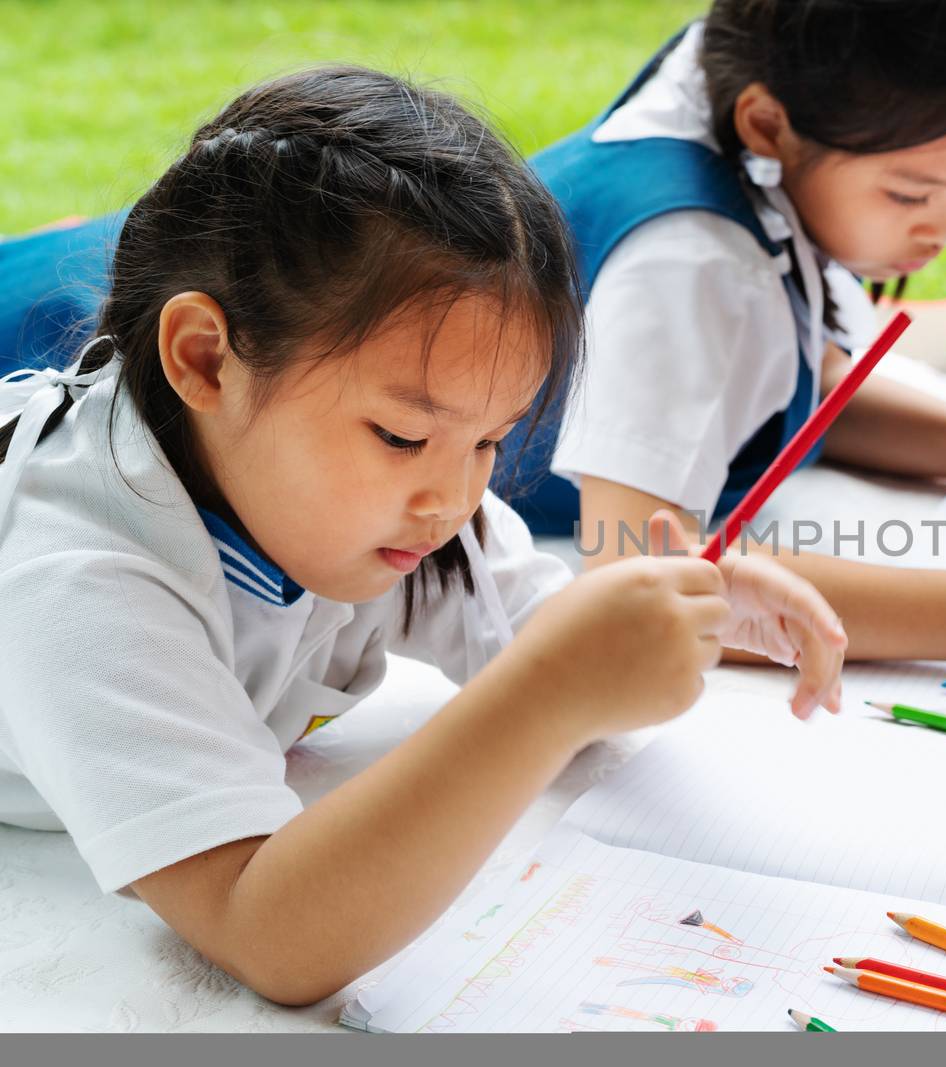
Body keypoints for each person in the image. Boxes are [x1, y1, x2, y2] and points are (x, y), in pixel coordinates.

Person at [0, 66, 845, 1006]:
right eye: (403, 435)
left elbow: (542, 640)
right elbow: (265, 931)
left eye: (488, 439)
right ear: (206, 361)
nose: (453, 495)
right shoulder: (73, 577)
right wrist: (551, 689)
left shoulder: (379, 494)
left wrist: (685, 607)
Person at [515, 0, 946, 673]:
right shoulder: (695, 263)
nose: (945, 231)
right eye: (910, 195)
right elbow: (640, 576)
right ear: (765, 125)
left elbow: (784, 379)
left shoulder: (739, 76)